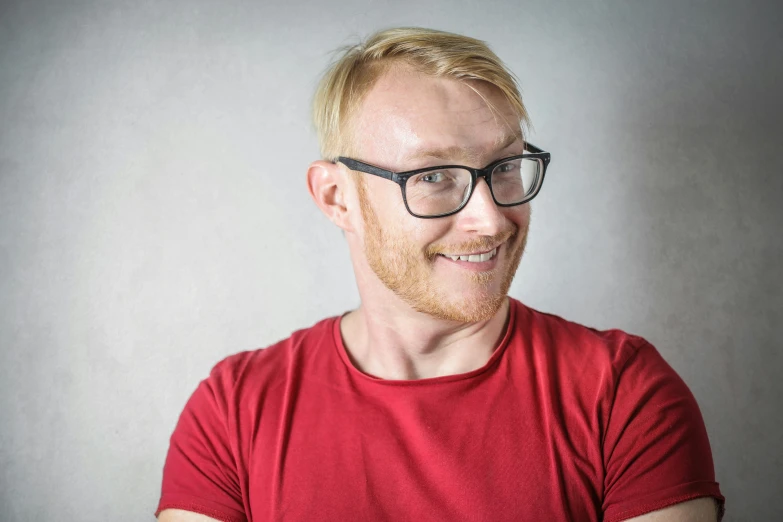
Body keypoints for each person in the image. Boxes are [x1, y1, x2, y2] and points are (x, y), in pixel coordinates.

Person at [156, 27, 724, 521]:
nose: (491, 218)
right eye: (432, 176)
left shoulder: (625, 395)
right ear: (337, 197)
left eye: (504, 166)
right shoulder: (233, 412)